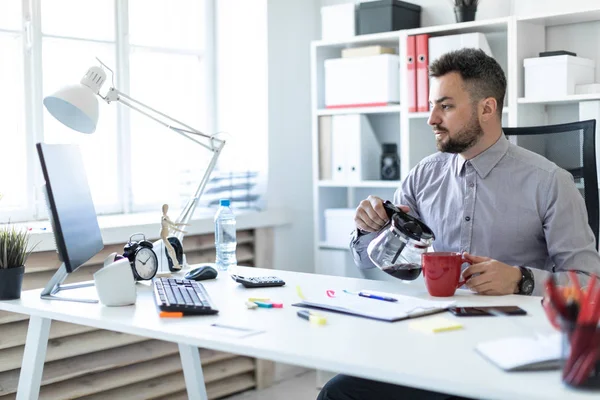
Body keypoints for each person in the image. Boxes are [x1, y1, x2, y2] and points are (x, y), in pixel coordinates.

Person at [317, 48, 600, 400]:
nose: (431, 118)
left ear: (487, 108)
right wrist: (368, 229)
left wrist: (521, 279)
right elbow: (373, 262)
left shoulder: (549, 181)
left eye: (446, 106)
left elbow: (590, 285)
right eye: (433, 105)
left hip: (514, 348)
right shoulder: (423, 175)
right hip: (435, 338)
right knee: (339, 393)